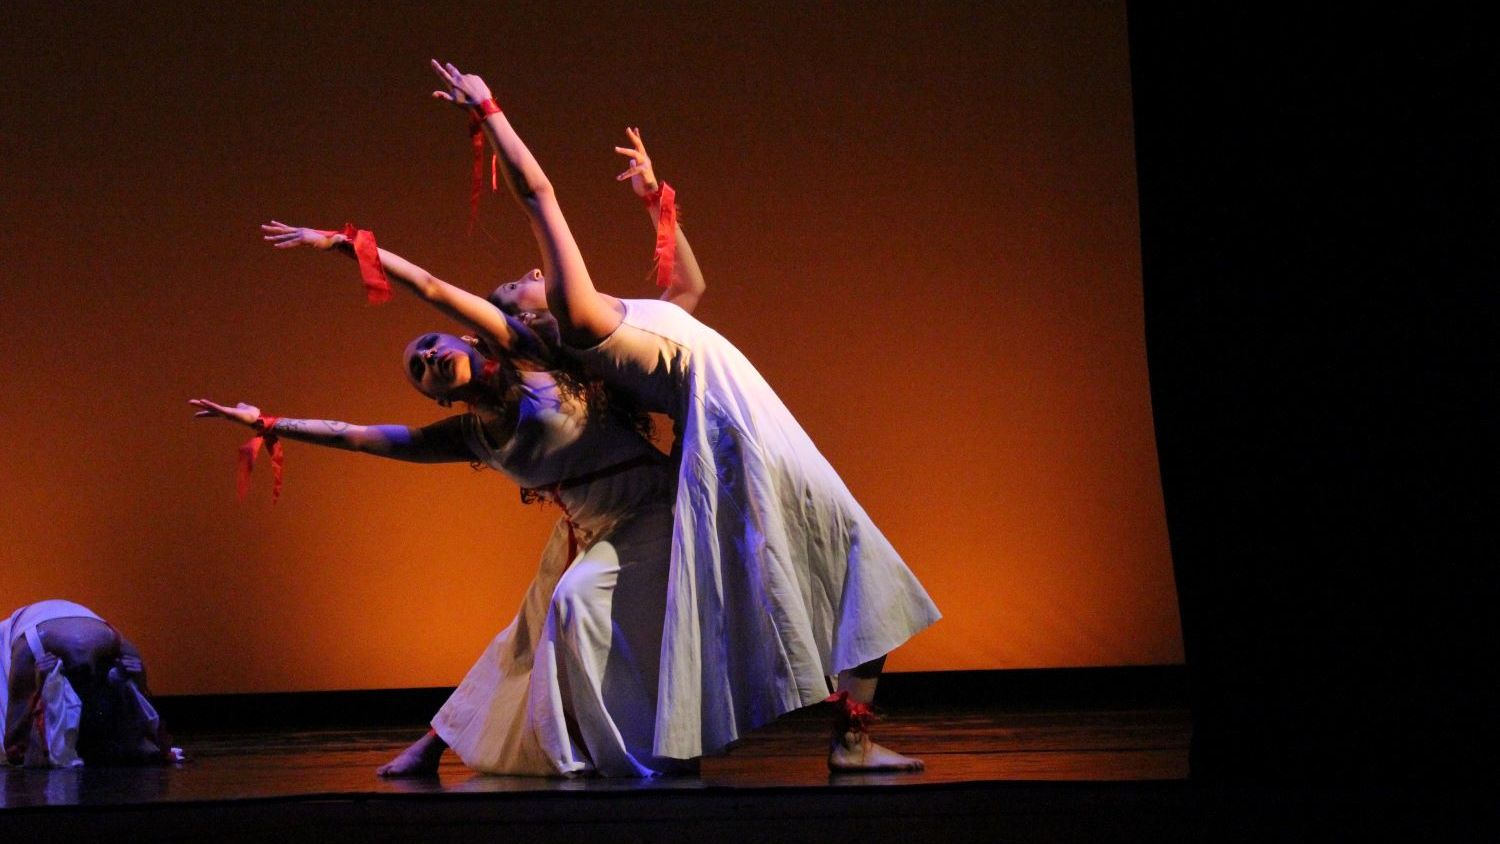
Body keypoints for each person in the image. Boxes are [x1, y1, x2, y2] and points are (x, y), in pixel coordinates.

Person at [433, 59, 941, 772]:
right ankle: (847, 740)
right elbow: (538, 195)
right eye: (520, 285)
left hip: (750, 417)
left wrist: (654, 202)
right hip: (738, 434)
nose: (533, 274)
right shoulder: (579, 325)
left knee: (851, 555)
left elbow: (689, 287)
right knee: (853, 551)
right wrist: (490, 111)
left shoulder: (618, 324)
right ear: (530, 320)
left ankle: (849, 735)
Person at [196, 177, 697, 775]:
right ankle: (434, 748)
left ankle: (607, 753)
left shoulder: (529, 358)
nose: (427, 359)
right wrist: (272, 423)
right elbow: (356, 437)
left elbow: (429, 286)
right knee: (521, 640)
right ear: (436, 399)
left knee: (571, 607)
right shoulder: (469, 437)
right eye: (419, 370)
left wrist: (340, 244)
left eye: (429, 347)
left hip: (650, 511)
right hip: (589, 530)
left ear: (467, 341)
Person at [2, 600, 180, 767]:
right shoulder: (27, 650)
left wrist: (135, 679)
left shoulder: (123, 650)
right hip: (30, 631)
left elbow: (147, 720)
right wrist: (38, 686)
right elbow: (13, 742)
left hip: (83, 637)